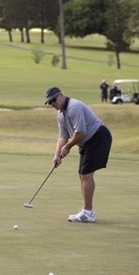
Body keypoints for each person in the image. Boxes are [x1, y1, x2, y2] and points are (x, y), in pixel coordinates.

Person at [44, 86, 112, 223]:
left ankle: (88, 213)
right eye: (49, 103)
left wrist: (68, 147)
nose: (53, 104)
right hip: (87, 142)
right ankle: (86, 211)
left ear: (61, 95)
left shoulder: (74, 107)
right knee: (82, 174)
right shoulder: (60, 114)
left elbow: (81, 133)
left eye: (54, 100)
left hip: (98, 137)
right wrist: (57, 154)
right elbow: (63, 136)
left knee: (86, 175)